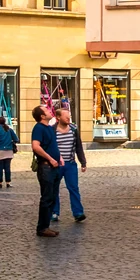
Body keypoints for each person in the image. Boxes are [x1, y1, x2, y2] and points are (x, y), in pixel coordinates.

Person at [29, 105, 63, 238]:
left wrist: (59, 158)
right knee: (47, 197)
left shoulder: (49, 128)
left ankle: (46, 226)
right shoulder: (38, 128)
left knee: (52, 197)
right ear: (42, 116)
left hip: (54, 166)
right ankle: (42, 228)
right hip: (46, 167)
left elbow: (53, 145)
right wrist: (50, 159)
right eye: (47, 111)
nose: (50, 111)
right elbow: (35, 147)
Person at [52, 102, 87, 223]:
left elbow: (79, 146)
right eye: (66, 117)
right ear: (58, 118)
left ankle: (78, 212)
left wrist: (83, 162)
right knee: (54, 188)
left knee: (73, 188)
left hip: (70, 164)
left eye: (69, 117)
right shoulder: (52, 130)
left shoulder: (73, 129)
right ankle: (54, 212)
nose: (68, 119)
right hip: (56, 165)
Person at [0, 116, 18, 186]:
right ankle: (8, 182)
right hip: (9, 150)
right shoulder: (9, 130)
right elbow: (16, 139)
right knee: (7, 167)